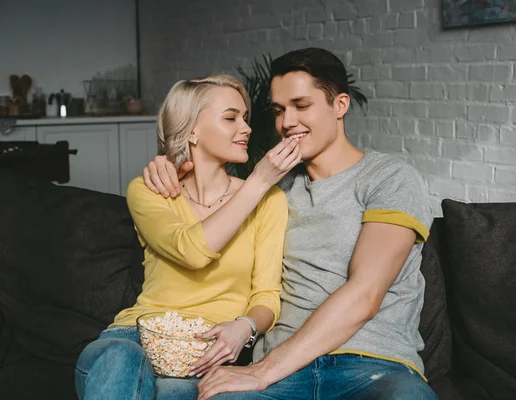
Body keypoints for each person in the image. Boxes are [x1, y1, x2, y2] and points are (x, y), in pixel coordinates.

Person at [143, 48, 438, 400]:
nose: (287, 122)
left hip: (372, 367)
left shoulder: (389, 178)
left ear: (340, 105)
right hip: (281, 379)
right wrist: (166, 167)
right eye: (279, 110)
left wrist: (262, 371)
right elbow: (203, 211)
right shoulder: (271, 188)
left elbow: (364, 296)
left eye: (302, 105)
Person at [74, 75, 303, 400]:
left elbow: (266, 296)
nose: (247, 128)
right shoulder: (149, 190)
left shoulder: (269, 202)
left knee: (174, 393)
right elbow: (193, 250)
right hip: (134, 335)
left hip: (210, 348)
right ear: (192, 129)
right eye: (230, 118)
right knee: (119, 360)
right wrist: (259, 180)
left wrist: (244, 328)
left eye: (245, 118)